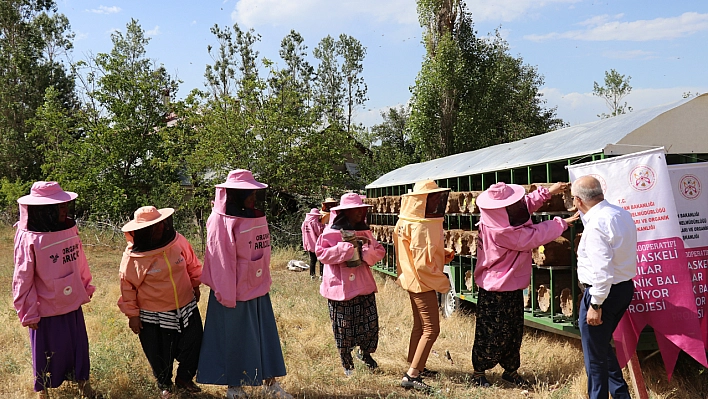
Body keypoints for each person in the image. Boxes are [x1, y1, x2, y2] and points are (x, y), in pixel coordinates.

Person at [197, 169, 293, 399]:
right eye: (247, 193)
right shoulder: (220, 220)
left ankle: (270, 384)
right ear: (233, 195)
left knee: (264, 336)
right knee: (233, 339)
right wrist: (227, 295)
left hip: (257, 287)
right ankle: (235, 388)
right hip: (233, 292)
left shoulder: (253, 215)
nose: (253, 197)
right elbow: (220, 259)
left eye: (253, 192)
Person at [471, 182, 578, 387]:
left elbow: (522, 207)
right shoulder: (502, 231)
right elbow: (533, 236)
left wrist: (548, 192)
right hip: (496, 288)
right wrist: (560, 224)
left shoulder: (497, 216)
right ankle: (479, 373)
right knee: (491, 332)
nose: (516, 206)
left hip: (508, 285)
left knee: (513, 330)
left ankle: (510, 371)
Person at [12, 181, 101, 399]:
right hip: (44, 310)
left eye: (64, 206)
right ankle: (42, 393)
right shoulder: (28, 236)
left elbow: (79, 260)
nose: (64, 210)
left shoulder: (69, 228)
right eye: (59, 206)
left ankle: (83, 386)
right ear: (44, 209)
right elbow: (23, 277)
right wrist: (28, 310)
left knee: (78, 348)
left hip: (71, 304)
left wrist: (85, 286)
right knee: (45, 353)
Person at [117, 206, 204, 399]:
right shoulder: (132, 257)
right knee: (159, 352)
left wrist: (196, 285)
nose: (159, 228)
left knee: (194, 343)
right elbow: (127, 286)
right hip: (153, 314)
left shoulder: (178, 241)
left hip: (186, 305)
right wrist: (132, 315)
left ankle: (184, 379)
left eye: (160, 224)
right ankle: (164, 384)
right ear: (141, 231)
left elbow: (192, 264)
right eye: (153, 227)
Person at [573, 176, 636, 399]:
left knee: (594, 358)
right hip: (623, 288)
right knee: (600, 348)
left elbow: (602, 271)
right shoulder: (621, 214)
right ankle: (621, 395)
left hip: (603, 292)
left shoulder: (596, 224)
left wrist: (595, 303)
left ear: (578, 200)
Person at [393, 180, 455, 393]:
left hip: (411, 279)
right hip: (421, 282)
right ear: (423, 200)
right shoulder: (420, 225)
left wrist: (441, 254)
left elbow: (419, 253)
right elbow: (422, 263)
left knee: (419, 326)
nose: (438, 200)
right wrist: (443, 282)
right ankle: (412, 375)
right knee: (431, 329)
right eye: (434, 197)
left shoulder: (407, 220)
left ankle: (416, 364)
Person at [315, 193, 386, 376]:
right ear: (345, 212)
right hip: (341, 288)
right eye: (357, 210)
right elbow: (321, 254)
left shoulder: (365, 230)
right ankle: (347, 363)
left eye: (362, 210)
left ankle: (366, 354)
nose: (360, 213)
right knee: (344, 328)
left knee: (369, 324)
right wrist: (347, 249)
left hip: (363, 285)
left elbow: (379, 251)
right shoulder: (330, 232)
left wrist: (365, 250)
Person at [302, 207, 325, 280]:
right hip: (317, 244)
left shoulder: (305, 222)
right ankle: (321, 275)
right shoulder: (315, 222)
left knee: (312, 260)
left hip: (308, 243)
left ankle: (312, 275)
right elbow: (319, 232)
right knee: (321, 260)